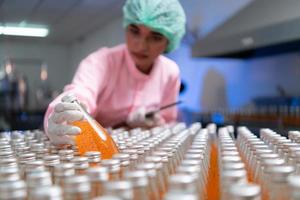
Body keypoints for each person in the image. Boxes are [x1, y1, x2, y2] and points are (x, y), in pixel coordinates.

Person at [44, 0, 186, 145]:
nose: (141, 45)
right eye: (134, 31)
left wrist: (154, 122)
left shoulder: (170, 72)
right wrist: (67, 114)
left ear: (169, 42)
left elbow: (168, 121)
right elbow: (81, 92)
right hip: (97, 150)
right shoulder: (100, 62)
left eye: (156, 37)